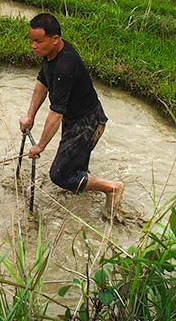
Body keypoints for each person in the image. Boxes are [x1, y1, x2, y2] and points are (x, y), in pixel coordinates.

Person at [19, 12, 123, 218]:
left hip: (88, 123)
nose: (33, 46)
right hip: (76, 120)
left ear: (55, 39)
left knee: (60, 175)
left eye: (38, 41)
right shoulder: (51, 54)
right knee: (74, 169)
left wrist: (40, 146)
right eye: (31, 40)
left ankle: (112, 188)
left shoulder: (65, 66)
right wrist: (30, 115)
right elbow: (42, 82)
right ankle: (86, 192)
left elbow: (56, 113)